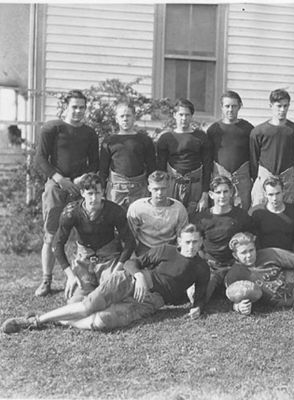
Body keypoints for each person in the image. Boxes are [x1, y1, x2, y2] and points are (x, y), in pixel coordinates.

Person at [2, 224, 210, 334]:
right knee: (87, 307)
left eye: (196, 242)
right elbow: (132, 262)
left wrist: (197, 307)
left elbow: (200, 295)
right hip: (131, 281)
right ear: (180, 241)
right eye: (188, 242)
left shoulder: (202, 268)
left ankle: (63, 321)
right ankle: (34, 321)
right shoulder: (166, 250)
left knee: (102, 321)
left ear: (201, 243)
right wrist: (138, 276)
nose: (191, 247)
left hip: (152, 301)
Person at [34, 89, 99, 296]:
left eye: (82, 107)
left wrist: (82, 179)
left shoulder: (89, 133)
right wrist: (59, 179)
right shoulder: (52, 128)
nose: (78, 111)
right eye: (74, 107)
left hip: (80, 188)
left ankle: (84, 277)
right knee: (52, 234)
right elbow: (40, 159)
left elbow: (95, 163)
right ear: (65, 107)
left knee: (85, 233)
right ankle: (46, 280)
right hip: (56, 185)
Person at [53, 173, 135, 304]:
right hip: (84, 261)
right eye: (90, 193)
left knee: (112, 296)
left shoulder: (114, 211)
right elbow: (57, 245)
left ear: (103, 192)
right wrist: (70, 275)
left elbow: (130, 242)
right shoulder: (71, 212)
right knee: (75, 302)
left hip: (109, 260)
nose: (94, 198)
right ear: (82, 193)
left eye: (97, 193)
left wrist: (119, 267)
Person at [191, 176, 254, 300]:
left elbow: (250, 237)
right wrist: (203, 259)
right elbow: (195, 243)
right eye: (218, 192)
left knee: (243, 294)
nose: (222, 196)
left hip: (234, 264)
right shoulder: (202, 218)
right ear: (211, 194)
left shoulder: (241, 216)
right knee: (199, 297)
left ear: (231, 193)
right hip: (212, 266)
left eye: (225, 191)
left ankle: (231, 292)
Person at [250, 89, 294, 207]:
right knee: (260, 209)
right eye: (279, 106)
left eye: (285, 106)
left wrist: (290, 174)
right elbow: (254, 158)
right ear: (270, 106)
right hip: (265, 177)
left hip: (288, 179)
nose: (282, 110)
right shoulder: (259, 131)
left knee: (290, 209)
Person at [156, 98, 212, 213]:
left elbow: (207, 167)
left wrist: (205, 195)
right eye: (181, 114)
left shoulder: (201, 137)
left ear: (191, 116)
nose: (184, 118)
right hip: (172, 185)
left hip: (195, 186)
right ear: (174, 115)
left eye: (187, 115)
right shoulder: (166, 138)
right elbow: (161, 169)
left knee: (195, 222)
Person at [99, 101, 156, 210]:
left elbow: (151, 167)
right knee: (115, 219)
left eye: (128, 115)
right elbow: (103, 170)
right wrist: (101, 190)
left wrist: (153, 188)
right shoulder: (109, 141)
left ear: (134, 117)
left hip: (140, 189)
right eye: (122, 116)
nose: (125, 119)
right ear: (116, 119)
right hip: (116, 189)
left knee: (138, 220)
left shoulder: (144, 140)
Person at [207, 91, 254, 210]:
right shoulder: (214, 130)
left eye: (234, 106)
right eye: (227, 106)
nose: (230, 110)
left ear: (239, 107)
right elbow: (208, 158)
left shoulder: (247, 128)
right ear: (222, 107)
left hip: (242, 180)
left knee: (243, 212)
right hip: (220, 178)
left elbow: (254, 155)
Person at [127, 171, 188, 256]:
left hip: (169, 249)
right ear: (149, 188)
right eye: (156, 189)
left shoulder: (179, 209)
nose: (160, 193)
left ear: (168, 187)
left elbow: (182, 238)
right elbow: (130, 236)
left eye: (163, 188)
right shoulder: (137, 208)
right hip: (145, 249)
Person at [250, 176, 294, 253]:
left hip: (290, 256)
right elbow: (253, 240)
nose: (275, 198)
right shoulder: (256, 213)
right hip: (265, 256)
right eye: (271, 194)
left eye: (277, 193)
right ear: (265, 194)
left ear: (283, 192)